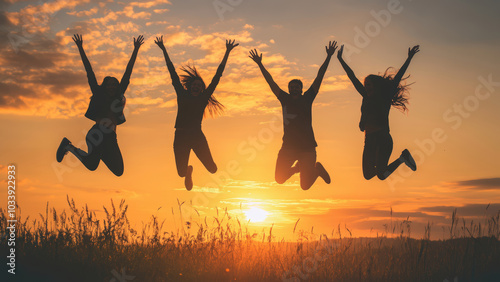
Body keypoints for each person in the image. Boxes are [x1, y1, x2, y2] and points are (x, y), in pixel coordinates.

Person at [248, 41, 337, 190]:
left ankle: (317, 170)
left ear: (302, 90)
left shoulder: (307, 99)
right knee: (279, 178)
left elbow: (319, 76)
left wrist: (328, 57)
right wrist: (260, 64)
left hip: (307, 148)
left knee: (305, 186)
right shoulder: (285, 99)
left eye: (297, 87)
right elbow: (271, 82)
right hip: (288, 147)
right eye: (292, 87)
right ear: (289, 90)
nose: (295, 89)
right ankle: (297, 168)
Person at [155, 36, 238, 190]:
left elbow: (217, 77)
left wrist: (227, 52)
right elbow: (172, 73)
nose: (196, 87)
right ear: (189, 86)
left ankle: (191, 169)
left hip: (196, 136)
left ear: (201, 89)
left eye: (199, 86)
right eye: (194, 85)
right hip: (180, 136)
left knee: (213, 169)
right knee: (180, 173)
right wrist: (164, 49)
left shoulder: (203, 98)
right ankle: (188, 171)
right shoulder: (182, 94)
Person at [56, 34, 144, 176]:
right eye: (108, 85)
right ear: (104, 86)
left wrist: (136, 49)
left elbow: (128, 73)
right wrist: (80, 48)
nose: (111, 87)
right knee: (92, 165)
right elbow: (89, 72)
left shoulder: (118, 97)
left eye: (114, 85)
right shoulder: (98, 94)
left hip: (111, 137)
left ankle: (71, 147)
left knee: (117, 170)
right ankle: (70, 147)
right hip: (97, 134)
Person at [337, 45, 420, 180]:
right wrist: (340, 60)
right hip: (369, 140)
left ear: (375, 86)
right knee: (368, 175)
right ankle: (402, 158)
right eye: (365, 85)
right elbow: (352, 77)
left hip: (382, 139)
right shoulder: (365, 96)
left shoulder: (385, 97)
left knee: (381, 175)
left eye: (368, 84)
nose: (366, 87)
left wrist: (409, 57)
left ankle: (402, 158)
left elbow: (398, 76)